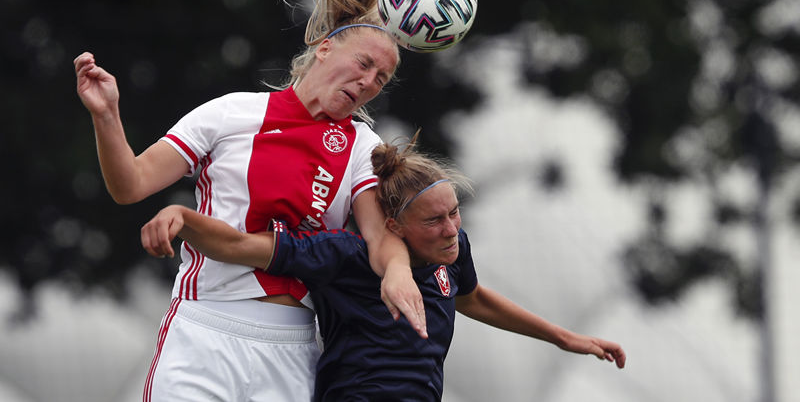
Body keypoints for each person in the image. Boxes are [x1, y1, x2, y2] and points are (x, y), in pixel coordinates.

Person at [74, 0, 426, 402]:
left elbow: (378, 237)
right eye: (363, 63)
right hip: (205, 327)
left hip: (292, 347)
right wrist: (107, 115)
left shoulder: (363, 146)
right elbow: (130, 184)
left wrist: (398, 270)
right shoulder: (233, 112)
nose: (368, 82)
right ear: (325, 49)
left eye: (381, 79)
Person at [141, 134, 627, 401]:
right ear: (393, 226)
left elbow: (474, 298)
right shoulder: (346, 256)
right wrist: (182, 217)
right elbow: (240, 245)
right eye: (434, 220)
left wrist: (564, 338)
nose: (450, 228)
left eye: (454, 212)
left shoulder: (452, 252)